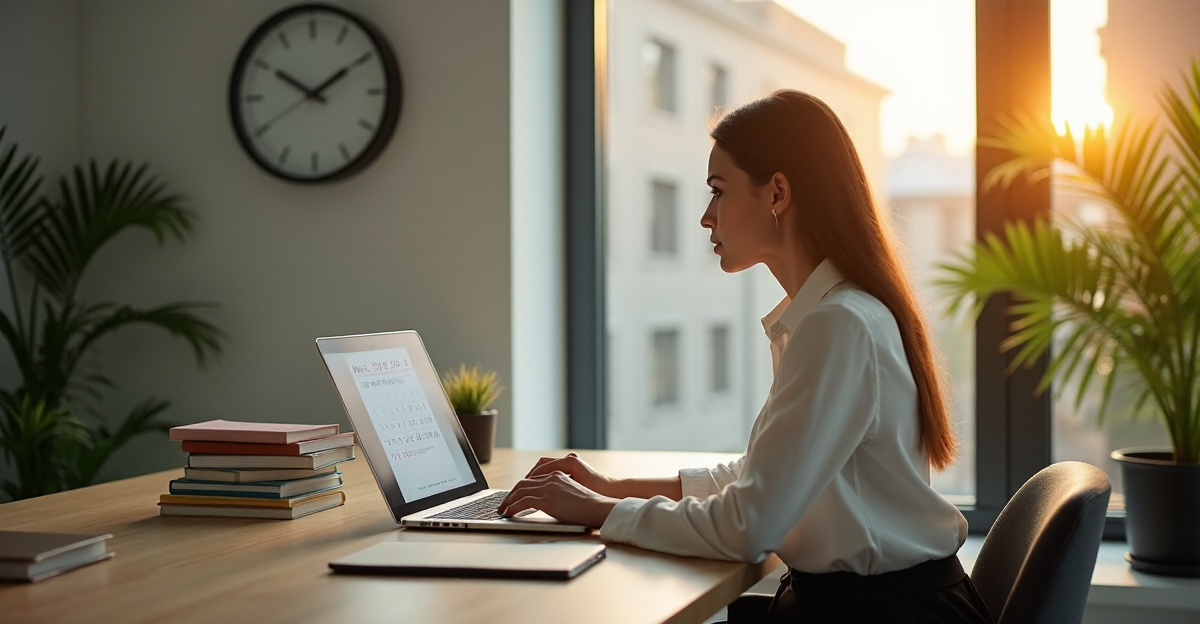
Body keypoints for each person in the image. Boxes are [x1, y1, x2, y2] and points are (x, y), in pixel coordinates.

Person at [497, 90, 993, 623]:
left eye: (717, 191)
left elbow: (749, 526)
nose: (706, 218)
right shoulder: (829, 316)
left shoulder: (838, 324)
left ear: (777, 192)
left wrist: (599, 511)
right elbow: (759, 477)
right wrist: (610, 486)